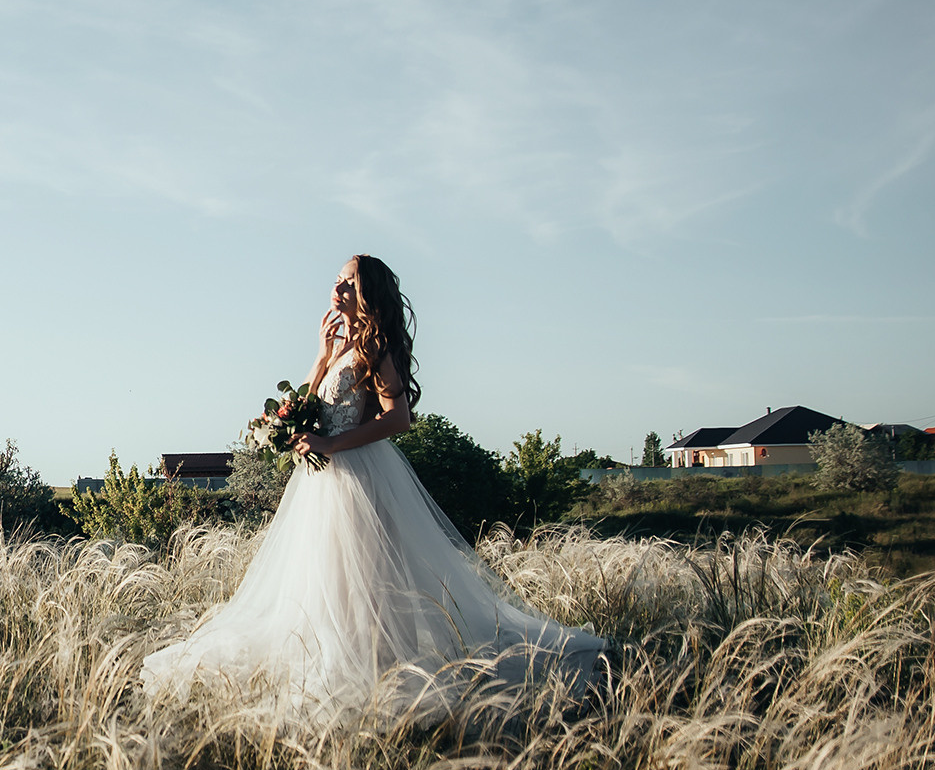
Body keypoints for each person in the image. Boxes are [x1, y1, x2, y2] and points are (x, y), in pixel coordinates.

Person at [142, 254, 605, 721]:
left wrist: (331, 442)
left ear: (368, 294)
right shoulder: (339, 346)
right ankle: (340, 663)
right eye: (338, 280)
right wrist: (322, 359)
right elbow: (303, 403)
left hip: (359, 480)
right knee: (323, 583)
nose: (338, 288)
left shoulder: (375, 349)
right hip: (320, 484)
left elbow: (399, 418)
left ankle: (381, 672)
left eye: (350, 282)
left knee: (366, 584)